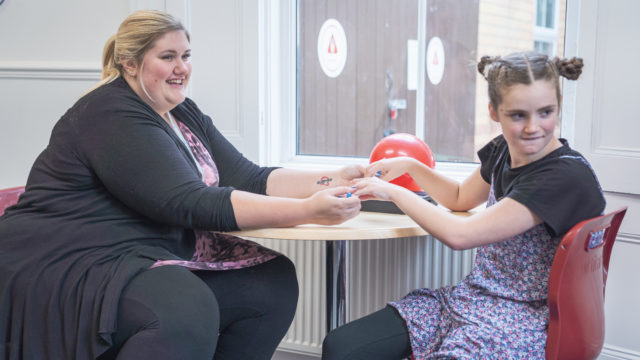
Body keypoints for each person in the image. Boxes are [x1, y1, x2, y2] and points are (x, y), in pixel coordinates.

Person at [0, 10, 363, 360]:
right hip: (69, 258)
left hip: (134, 251)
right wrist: (307, 210)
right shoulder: (110, 113)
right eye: (168, 56)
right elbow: (190, 202)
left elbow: (250, 177)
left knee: (271, 281)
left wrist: (334, 178)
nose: (181, 68)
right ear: (130, 63)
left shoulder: (180, 111)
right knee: (185, 307)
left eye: (186, 56)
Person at [321, 51, 606, 359]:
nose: (532, 127)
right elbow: (459, 197)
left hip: (521, 322)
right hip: (471, 301)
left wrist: (393, 192)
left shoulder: (563, 177)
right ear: (494, 112)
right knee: (341, 347)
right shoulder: (504, 151)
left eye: (545, 112)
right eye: (518, 115)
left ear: (559, 106)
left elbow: (461, 235)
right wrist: (410, 166)